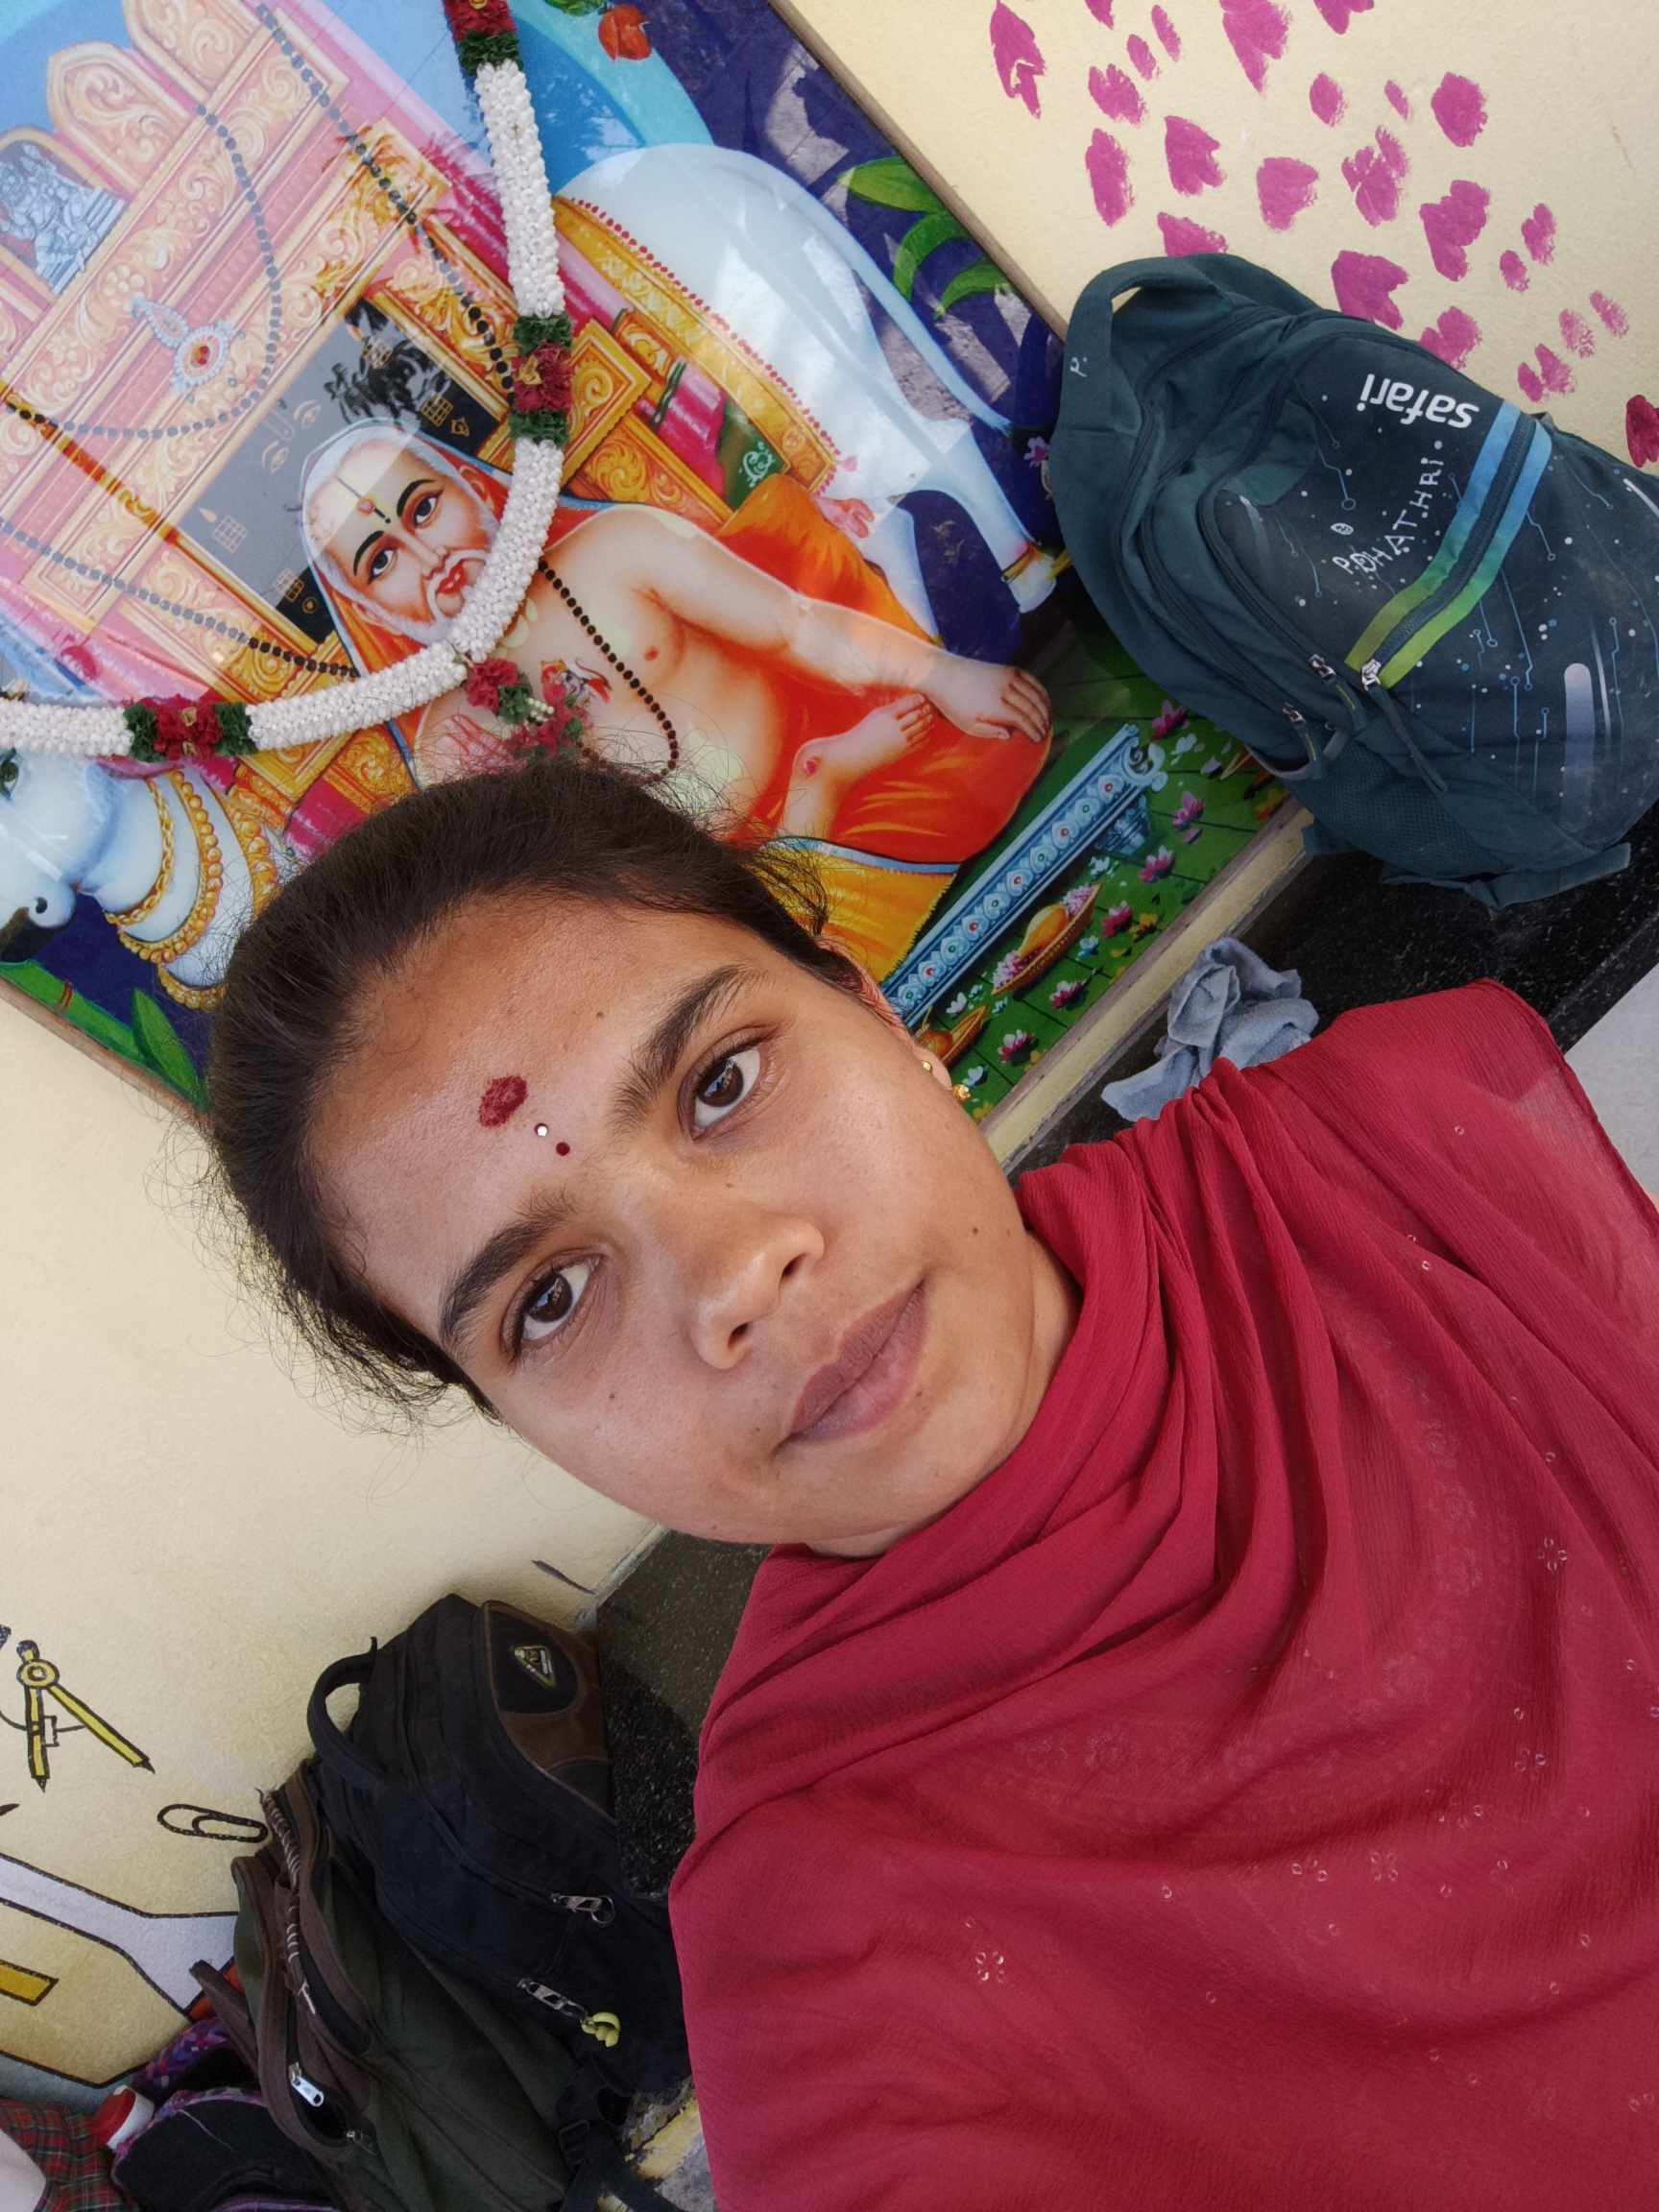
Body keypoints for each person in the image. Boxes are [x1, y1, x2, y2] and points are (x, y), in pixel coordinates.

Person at [205, 753, 1659, 2211]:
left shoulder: (1396, 1151)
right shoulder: (825, 1963)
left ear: (883, 1017)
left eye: (722, 1083)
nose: (735, 1276)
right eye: (549, 1299)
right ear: (528, 1430)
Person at [300, 422, 1051, 975]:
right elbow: (567, 907)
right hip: (713, 904)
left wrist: (941, 675)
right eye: (383, 560)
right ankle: (820, 785)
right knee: (771, 968)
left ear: (470, 490)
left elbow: (795, 626)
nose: (431, 557)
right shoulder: (453, 740)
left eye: (424, 509)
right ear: (372, 609)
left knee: (999, 745)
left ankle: (819, 782)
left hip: (820, 779)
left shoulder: (616, 547)